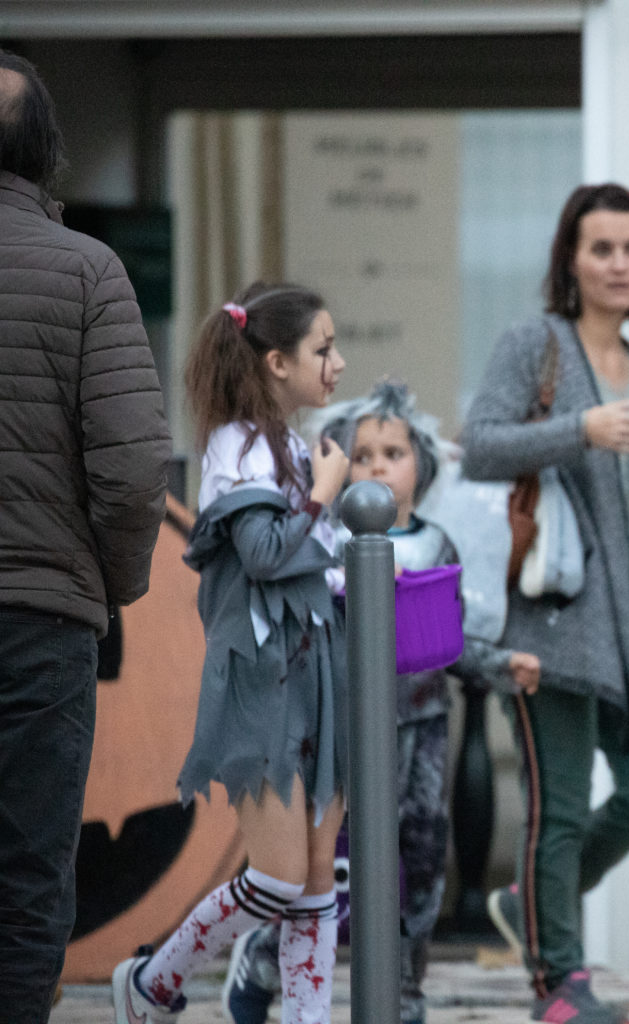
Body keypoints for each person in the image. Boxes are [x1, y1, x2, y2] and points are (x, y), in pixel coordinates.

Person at [222, 380, 541, 1024]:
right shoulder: (325, 544)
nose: (376, 468)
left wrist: (500, 663)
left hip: (421, 727)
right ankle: (262, 959)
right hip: (338, 730)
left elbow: (450, 638)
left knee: (419, 857)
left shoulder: (438, 546)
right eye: (361, 456)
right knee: (326, 864)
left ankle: (405, 989)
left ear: (422, 462)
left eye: (393, 454)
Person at [112, 283, 350, 1024]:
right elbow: (267, 554)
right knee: (279, 880)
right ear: (277, 362)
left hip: (315, 672)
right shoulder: (236, 448)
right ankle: (153, 982)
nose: (338, 363)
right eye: (323, 349)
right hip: (262, 679)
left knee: (317, 881)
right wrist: (324, 493)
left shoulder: (289, 446)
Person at [464, 182, 629, 1024]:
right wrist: (578, 431)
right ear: (572, 261)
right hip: (550, 622)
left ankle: (532, 907)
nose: (620, 264)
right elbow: (479, 446)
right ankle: (559, 982)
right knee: (558, 807)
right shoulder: (537, 343)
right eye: (602, 249)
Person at [0, 49, 171, 1023]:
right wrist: (106, 587)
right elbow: (133, 472)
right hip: (40, 621)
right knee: (28, 865)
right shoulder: (87, 272)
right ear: (46, 150)